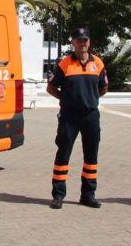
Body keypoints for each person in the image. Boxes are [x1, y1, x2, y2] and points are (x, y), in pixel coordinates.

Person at [45, 27, 108, 210]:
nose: (83, 43)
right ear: (73, 42)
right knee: (63, 154)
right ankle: (58, 195)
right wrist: (66, 100)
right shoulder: (64, 64)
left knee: (91, 155)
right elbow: (51, 88)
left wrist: (90, 99)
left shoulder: (98, 63)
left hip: (91, 116)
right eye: (79, 40)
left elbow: (103, 88)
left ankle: (88, 195)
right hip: (69, 116)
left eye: (85, 39)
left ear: (89, 42)